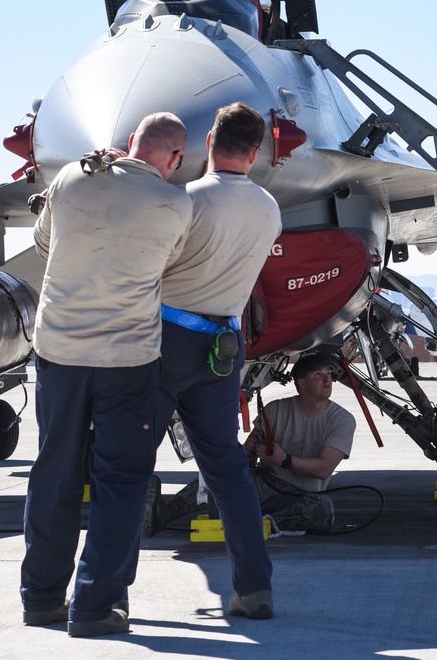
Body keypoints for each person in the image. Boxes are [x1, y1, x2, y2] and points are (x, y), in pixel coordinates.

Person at [20, 113, 193, 637]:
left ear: (127, 145)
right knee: (119, 482)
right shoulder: (175, 204)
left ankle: (41, 599)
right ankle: (95, 607)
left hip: (59, 355)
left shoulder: (72, 177)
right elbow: (170, 263)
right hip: (127, 361)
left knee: (54, 473)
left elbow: (43, 242)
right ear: (176, 158)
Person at [150, 102, 281, 619]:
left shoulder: (184, 201)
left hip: (166, 341)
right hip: (223, 351)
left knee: (130, 465)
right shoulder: (270, 209)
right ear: (256, 154)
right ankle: (255, 590)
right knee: (227, 471)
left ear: (209, 142)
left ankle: (105, 592)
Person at [146, 352, 355, 534]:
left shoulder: (341, 419)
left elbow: (324, 469)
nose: (328, 380)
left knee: (322, 509)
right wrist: (249, 450)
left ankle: (260, 522)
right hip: (266, 483)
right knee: (221, 476)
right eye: (318, 375)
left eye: (328, 374)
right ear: (302, 383)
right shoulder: (275, 410)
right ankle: (163, 513)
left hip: (301, 494)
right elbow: (246, 456)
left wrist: (284, 459)